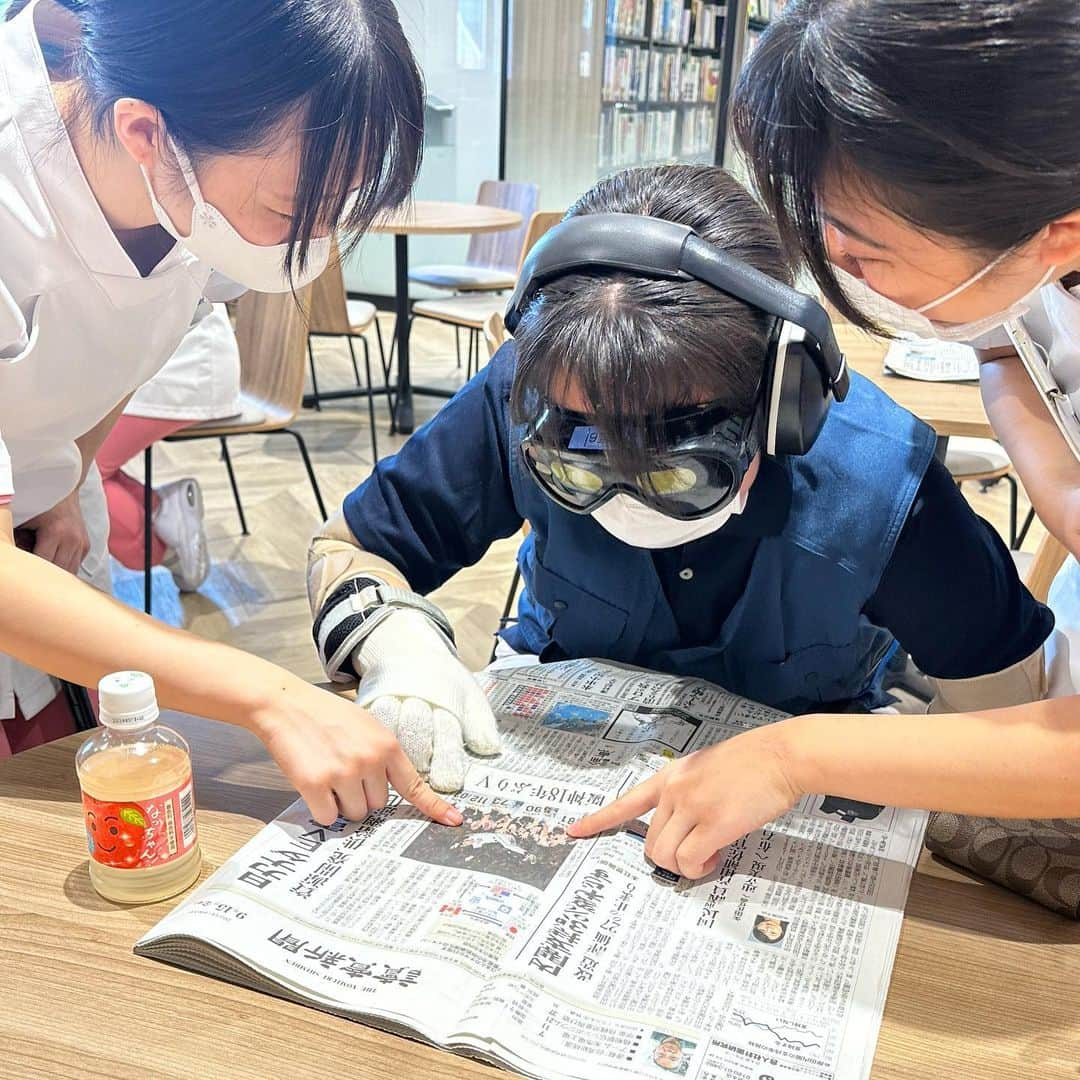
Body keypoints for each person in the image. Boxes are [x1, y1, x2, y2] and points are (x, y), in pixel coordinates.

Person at [306, 165, 1052, 811]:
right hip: (563, 735)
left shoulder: (887, 490)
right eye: (578, 466)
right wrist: (396, 644)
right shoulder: (530, 398)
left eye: (672, 472)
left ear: (780, 402)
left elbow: (1003, 711)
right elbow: (355, 547)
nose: (624, 499)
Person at [570, 0, 1080, 880]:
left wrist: (792, 757)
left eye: (861, 245)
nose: (829, 261)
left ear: (1053, 235)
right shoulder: (1029, 268)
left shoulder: (879, 485)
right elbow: (1008, 339)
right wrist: (1063, 496)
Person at [0, 0, 461, 827]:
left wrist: (64, 473)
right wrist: (269, 696)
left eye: (339, 206)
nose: (310, 245)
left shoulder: (196, 191)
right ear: (146, 135)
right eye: (290, 214)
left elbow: (119, 343)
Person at [96, 303, 241, 591]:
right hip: (166, 364)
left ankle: (161, 550)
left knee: (76, 474)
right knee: (74, 465)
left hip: (179, 372)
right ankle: (162, 509)